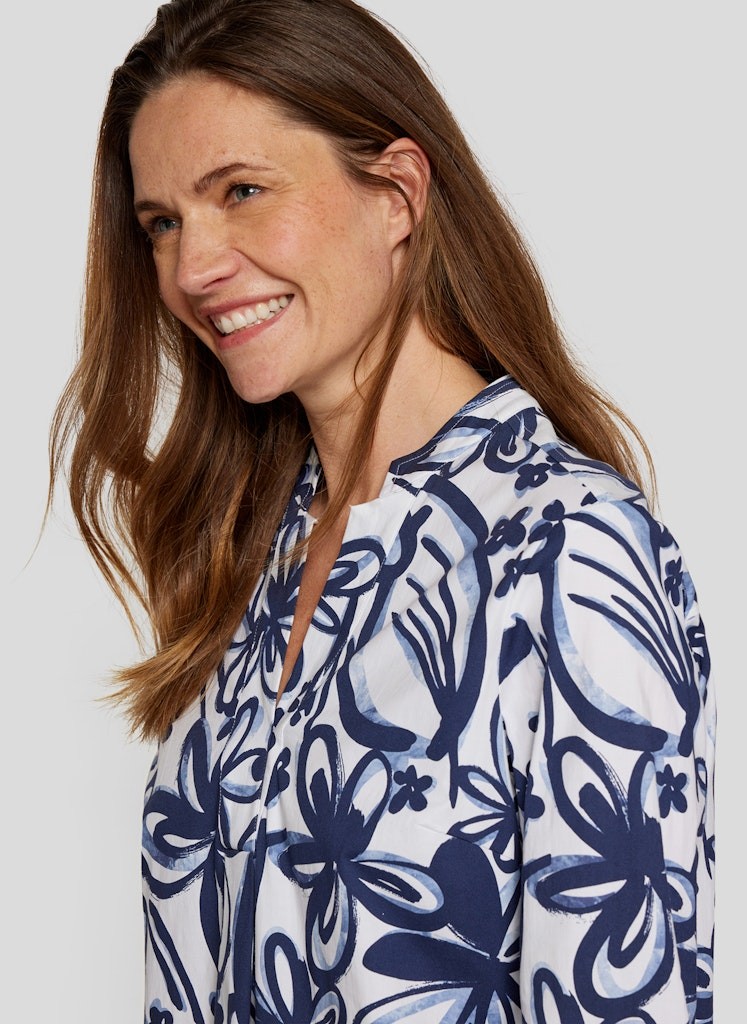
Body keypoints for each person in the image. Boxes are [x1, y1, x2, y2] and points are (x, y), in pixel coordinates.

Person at [50, 0, 715, 1020]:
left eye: (242, 191)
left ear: (397, 193)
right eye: (163, 223)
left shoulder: (567, 550)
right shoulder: (249, 557)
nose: (191, 268)